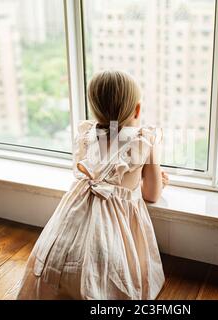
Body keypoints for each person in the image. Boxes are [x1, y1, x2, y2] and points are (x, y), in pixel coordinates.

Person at [17, 70, 168, 299]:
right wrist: (159, 180)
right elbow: (152, 194)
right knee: (107, 266)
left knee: (62, 254)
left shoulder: (86, 135)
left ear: (95, 108)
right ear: (137, 109)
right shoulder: (143, 140)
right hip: (116, 228)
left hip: (74, 215)